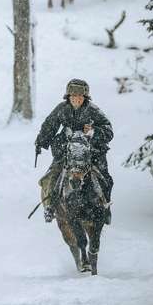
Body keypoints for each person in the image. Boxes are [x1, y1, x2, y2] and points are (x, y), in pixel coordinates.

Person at [35, 79, 114, 223]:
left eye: (80, 96)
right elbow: (49, 125)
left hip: (92, 152)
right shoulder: (61, 109)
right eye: (73, 95)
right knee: (51, 177)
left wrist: (94, 131)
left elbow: (109, 131)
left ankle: (105, 207)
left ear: (85, 97)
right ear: (68, 96)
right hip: (66, 151)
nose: (77, 98)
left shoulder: (93, 110)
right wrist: (41, 141)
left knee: (106, 179)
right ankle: (50, 206)